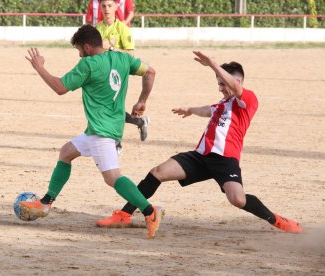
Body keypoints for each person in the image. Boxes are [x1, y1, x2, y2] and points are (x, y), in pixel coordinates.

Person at [96, 50, 303, 234]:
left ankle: (278, 221)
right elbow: (208, 110)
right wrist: (190, 110)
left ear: (237, 82)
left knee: (237, 199)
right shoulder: (223, 104)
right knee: (157, 172)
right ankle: (124, 214)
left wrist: (213, 64)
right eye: (219, 84)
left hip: (225, 160)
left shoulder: (247, 100)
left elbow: (234, 86)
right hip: (200, 157)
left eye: (224, 84)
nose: (221, 88)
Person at [19, 24, 164, 239]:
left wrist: (40, 67)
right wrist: (142, 100)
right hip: (103, 128)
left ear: (86, 47)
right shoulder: (123, 58)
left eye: (79, 50)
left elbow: (60, 88)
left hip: (102, 132)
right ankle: (46, 203)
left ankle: (150, 212)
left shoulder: (87, 65)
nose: (79, 54)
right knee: (66, 152)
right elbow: (151, 71)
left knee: (113, 178)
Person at [97, 0, 149, 145]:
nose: (106, 9)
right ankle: (139, 122)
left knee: (110, 106)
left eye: (109, 5)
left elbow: (131, 55)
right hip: (104, 73)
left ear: (116, 7)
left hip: (119, 72)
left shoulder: (123, 28)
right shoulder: (98, 29)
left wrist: (111, 48)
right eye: (104, 6)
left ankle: (116, 142)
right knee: (109, 107)